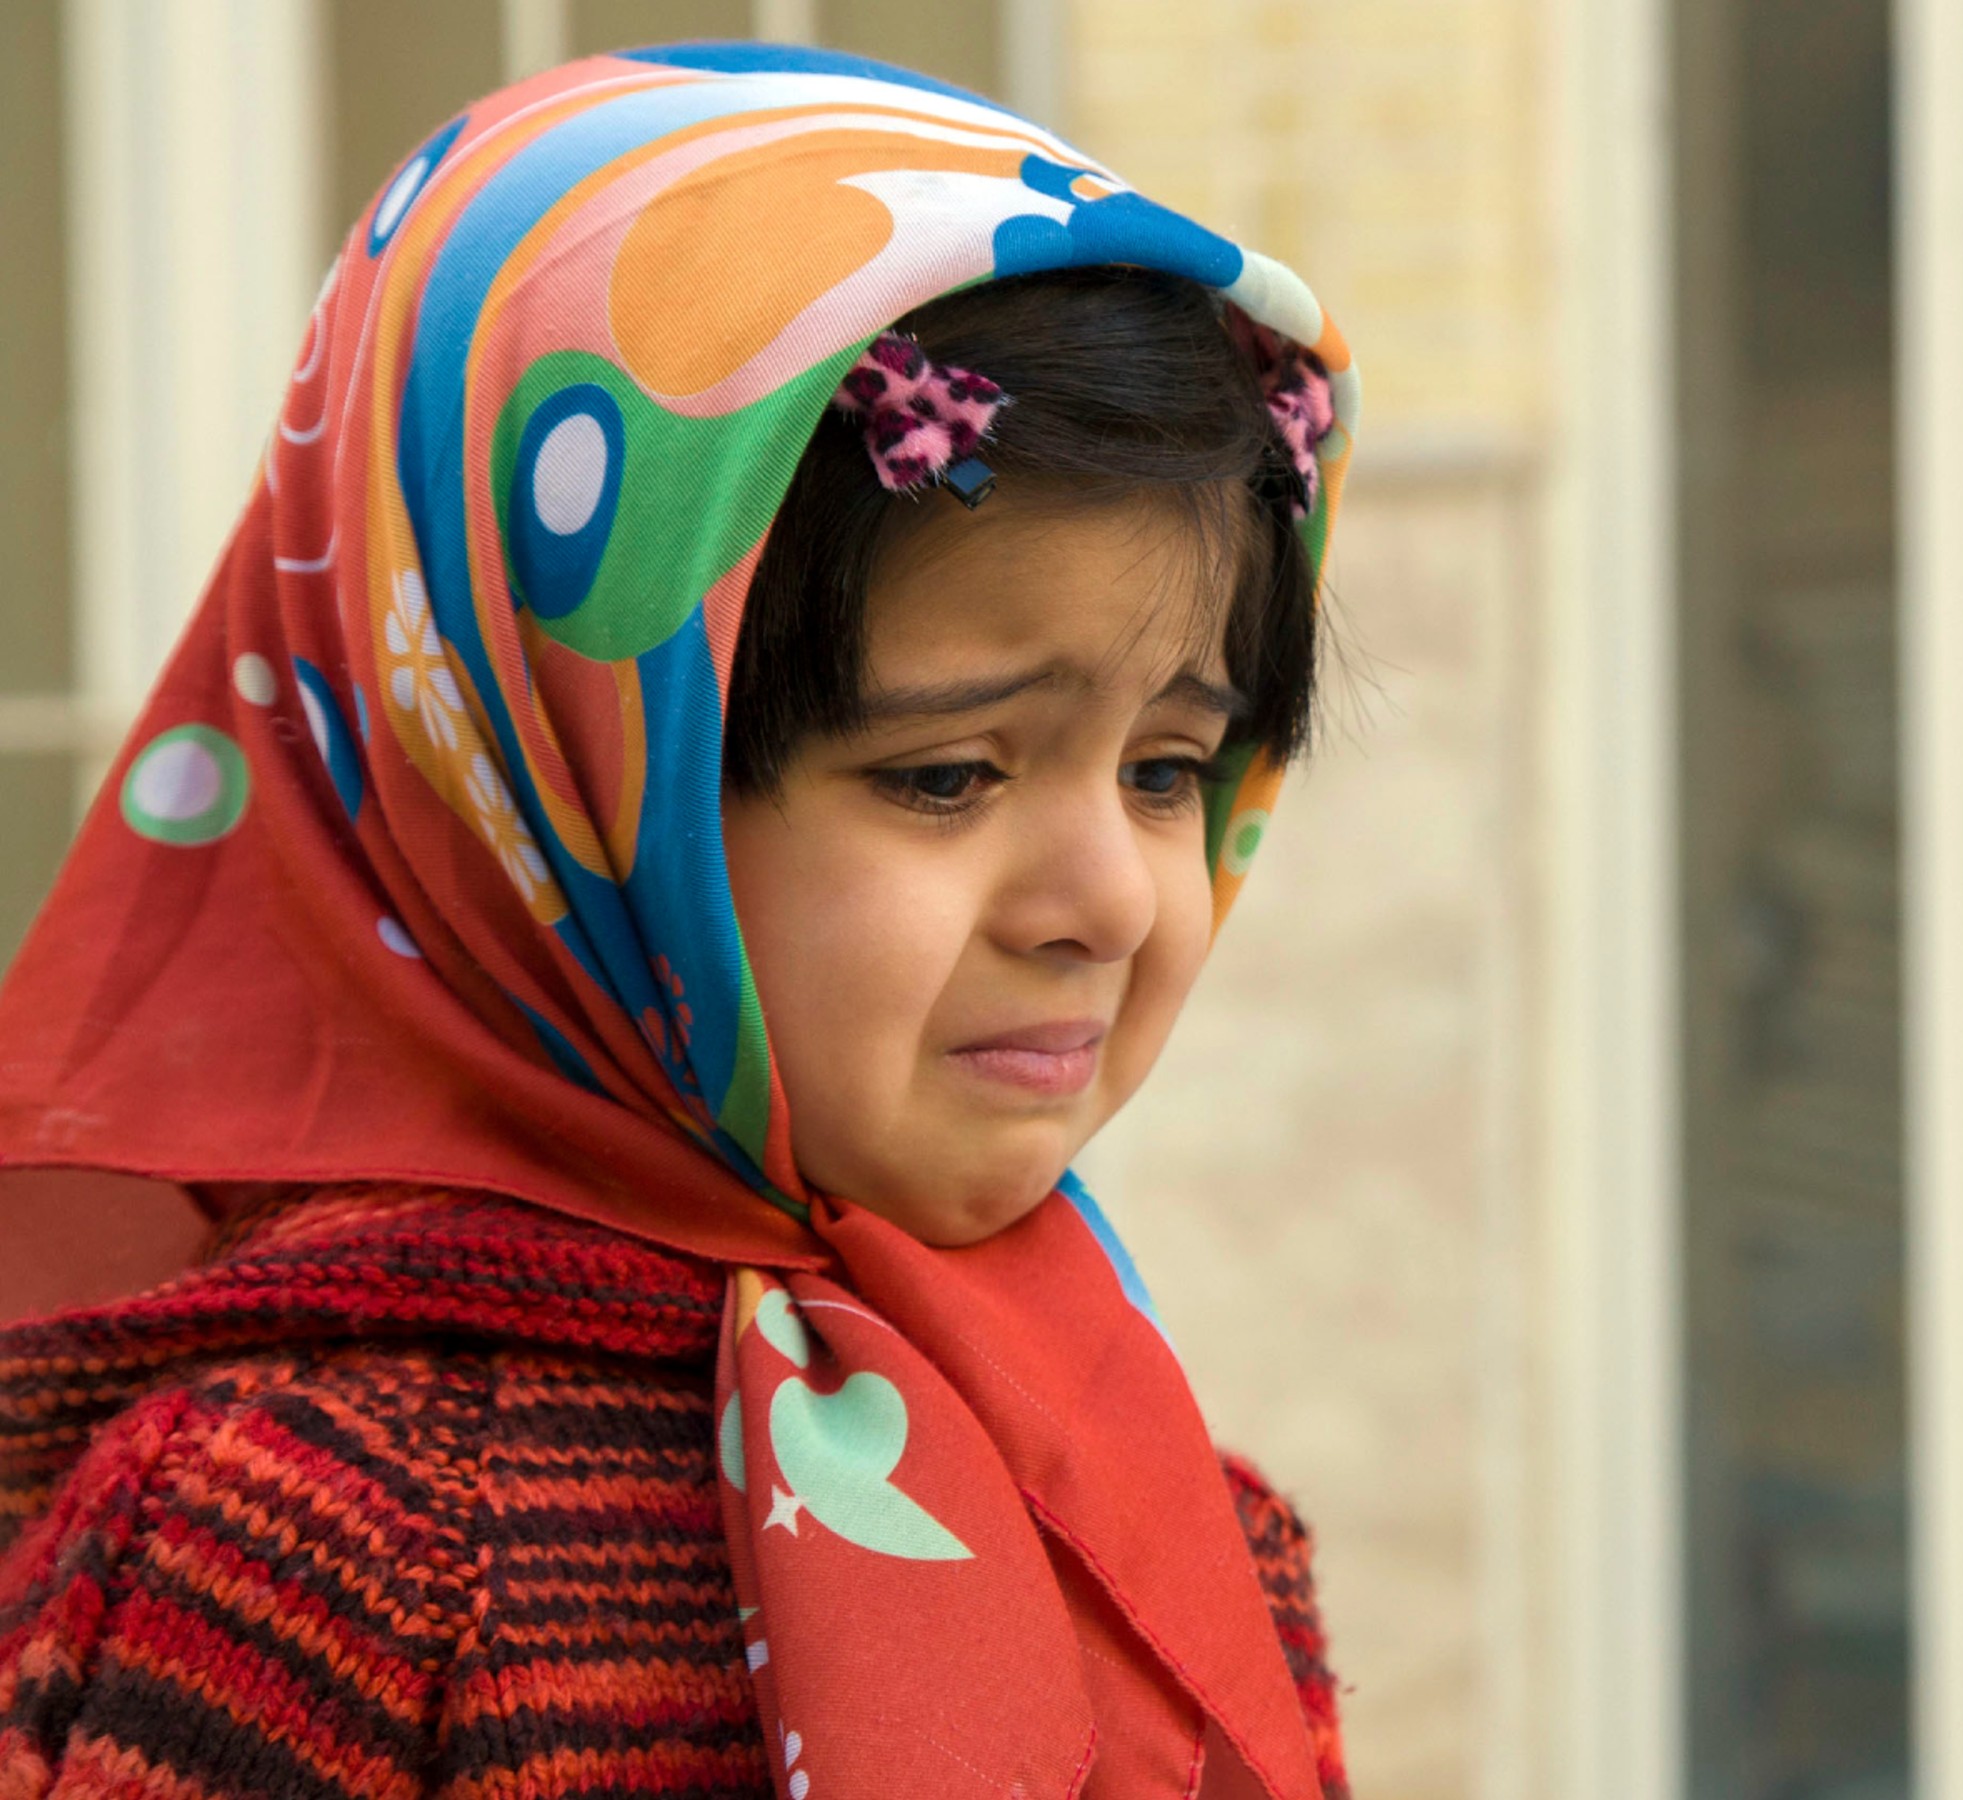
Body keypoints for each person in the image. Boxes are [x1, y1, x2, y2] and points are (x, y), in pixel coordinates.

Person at [0, 43, 1355, 1800]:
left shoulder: (1184, 1538)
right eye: (947, 777)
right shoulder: (298, 1552)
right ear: (554, 787)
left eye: (1172, 768)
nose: (1106, 899)